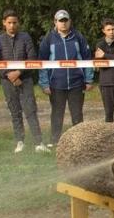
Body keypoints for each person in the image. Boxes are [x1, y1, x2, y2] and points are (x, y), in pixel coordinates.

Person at [0, 9, 49, 153]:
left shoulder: (25, 37)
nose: (12, 25)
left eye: (14, 22)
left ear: (18, 23)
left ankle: (38, 142)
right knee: (15, 112)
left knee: (30, 110)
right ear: (4, 23)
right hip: (7, 82)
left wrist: (18, 73)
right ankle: (20, 141)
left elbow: (32, 58)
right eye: (9, 23)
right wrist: (9, 76)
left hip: (26, 80)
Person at [38, 10, 94, 145]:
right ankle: (55, 140)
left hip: (76, 83)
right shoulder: (49, 39)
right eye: (60, 21)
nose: (63, 23)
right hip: (56, 84)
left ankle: (78, 141)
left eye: (65, 20)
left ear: (70, 21)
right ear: (55, 22)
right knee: (57, 114)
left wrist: (89, 79)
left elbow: (87, 59)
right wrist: (45, 84)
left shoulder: (78, 37)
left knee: (77, 114)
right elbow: (42, 62)